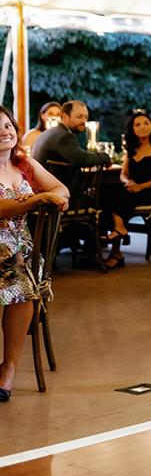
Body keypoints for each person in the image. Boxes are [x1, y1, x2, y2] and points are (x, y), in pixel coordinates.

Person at [0, 105, 70, 402]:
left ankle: (8, 368)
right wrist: (35, 199)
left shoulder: (25, 164)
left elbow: (62, 190)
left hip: (20, 252)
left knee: (24, 284)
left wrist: (53, 198)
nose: (4, 132)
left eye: (6, 126)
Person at [103, 111, 151, 269]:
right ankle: (118, 231)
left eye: (146, 123)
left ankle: (117, 246)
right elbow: (123, 174)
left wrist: (140, 186)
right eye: (137, 124)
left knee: (119, 197)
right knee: (107, 193)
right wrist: (128, 182)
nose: (142, 127)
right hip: (134, 190)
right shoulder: (132, 149)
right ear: (132, 129)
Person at [31, 100, 112, 186]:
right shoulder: (64, 136)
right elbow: (81, 159)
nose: (84, 121)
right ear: (65, 116)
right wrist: (104, 156)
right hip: (57, 192)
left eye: (86, 117)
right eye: (79, 117)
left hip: (43, 187)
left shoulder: (51, 132)